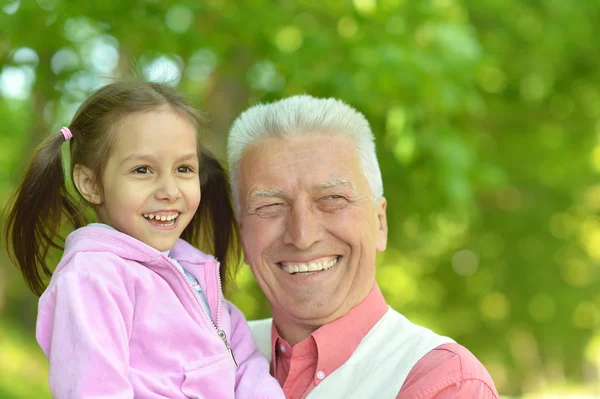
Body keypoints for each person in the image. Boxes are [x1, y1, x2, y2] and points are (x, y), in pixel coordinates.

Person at [4, 80, 285, 399]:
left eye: (183, 168)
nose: (169, 191)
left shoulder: (195, 276)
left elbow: (246, 365)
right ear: (90, 183)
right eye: (142, 170)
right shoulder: (94, 279)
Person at [226, 95, 500, 398]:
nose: (302, 236)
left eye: (332, 199)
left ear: (379, 223)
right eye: (271, 206)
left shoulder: (443, 382)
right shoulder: (211, 356)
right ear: (241, 238)